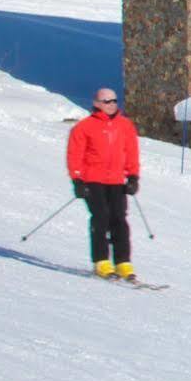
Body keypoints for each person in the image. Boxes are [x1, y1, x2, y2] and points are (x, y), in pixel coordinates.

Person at [66, 87, 141, 279]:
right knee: (101, 217)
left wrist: (133, 176)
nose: (112, 104)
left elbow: (131, 151)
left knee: (119, 219)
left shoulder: (125, 126)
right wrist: (77, 180)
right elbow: (75, 154)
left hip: (116, 180)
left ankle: (123, 262)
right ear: (97, 104)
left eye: (114, 101)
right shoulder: (84, 127)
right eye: (107, 101)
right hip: (93, 180)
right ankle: (101, 261)